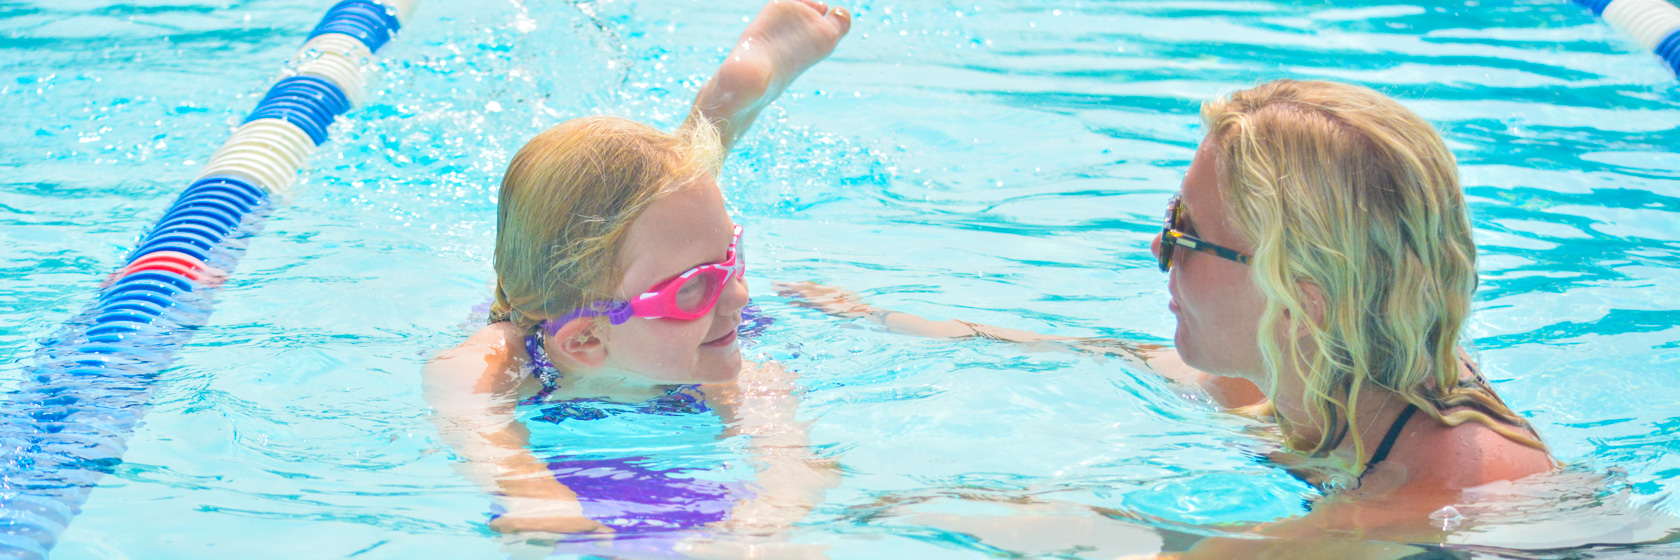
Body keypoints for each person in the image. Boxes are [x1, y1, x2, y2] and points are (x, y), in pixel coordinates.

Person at [782, 79, 1554, 557]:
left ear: (1301, 300)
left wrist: (829, 501)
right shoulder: (1340, 368)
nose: (1158, 247)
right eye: (1170, 220)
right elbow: (1118, 355)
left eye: (1188, 235)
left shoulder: (1430, 500)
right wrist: (874, 319)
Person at [421, 0, 850, 550]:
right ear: (588, 340)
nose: (740, 293)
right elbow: (456, 393)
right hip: (581, 310)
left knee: (676, 203)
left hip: (648, 316)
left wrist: (766, 519)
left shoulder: (723, 357)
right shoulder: (514, 354)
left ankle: (724, 110)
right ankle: (719, 113)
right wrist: (527, 486)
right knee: (639, 230)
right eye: (693, 285)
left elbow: (792, 463)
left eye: (733, 259)